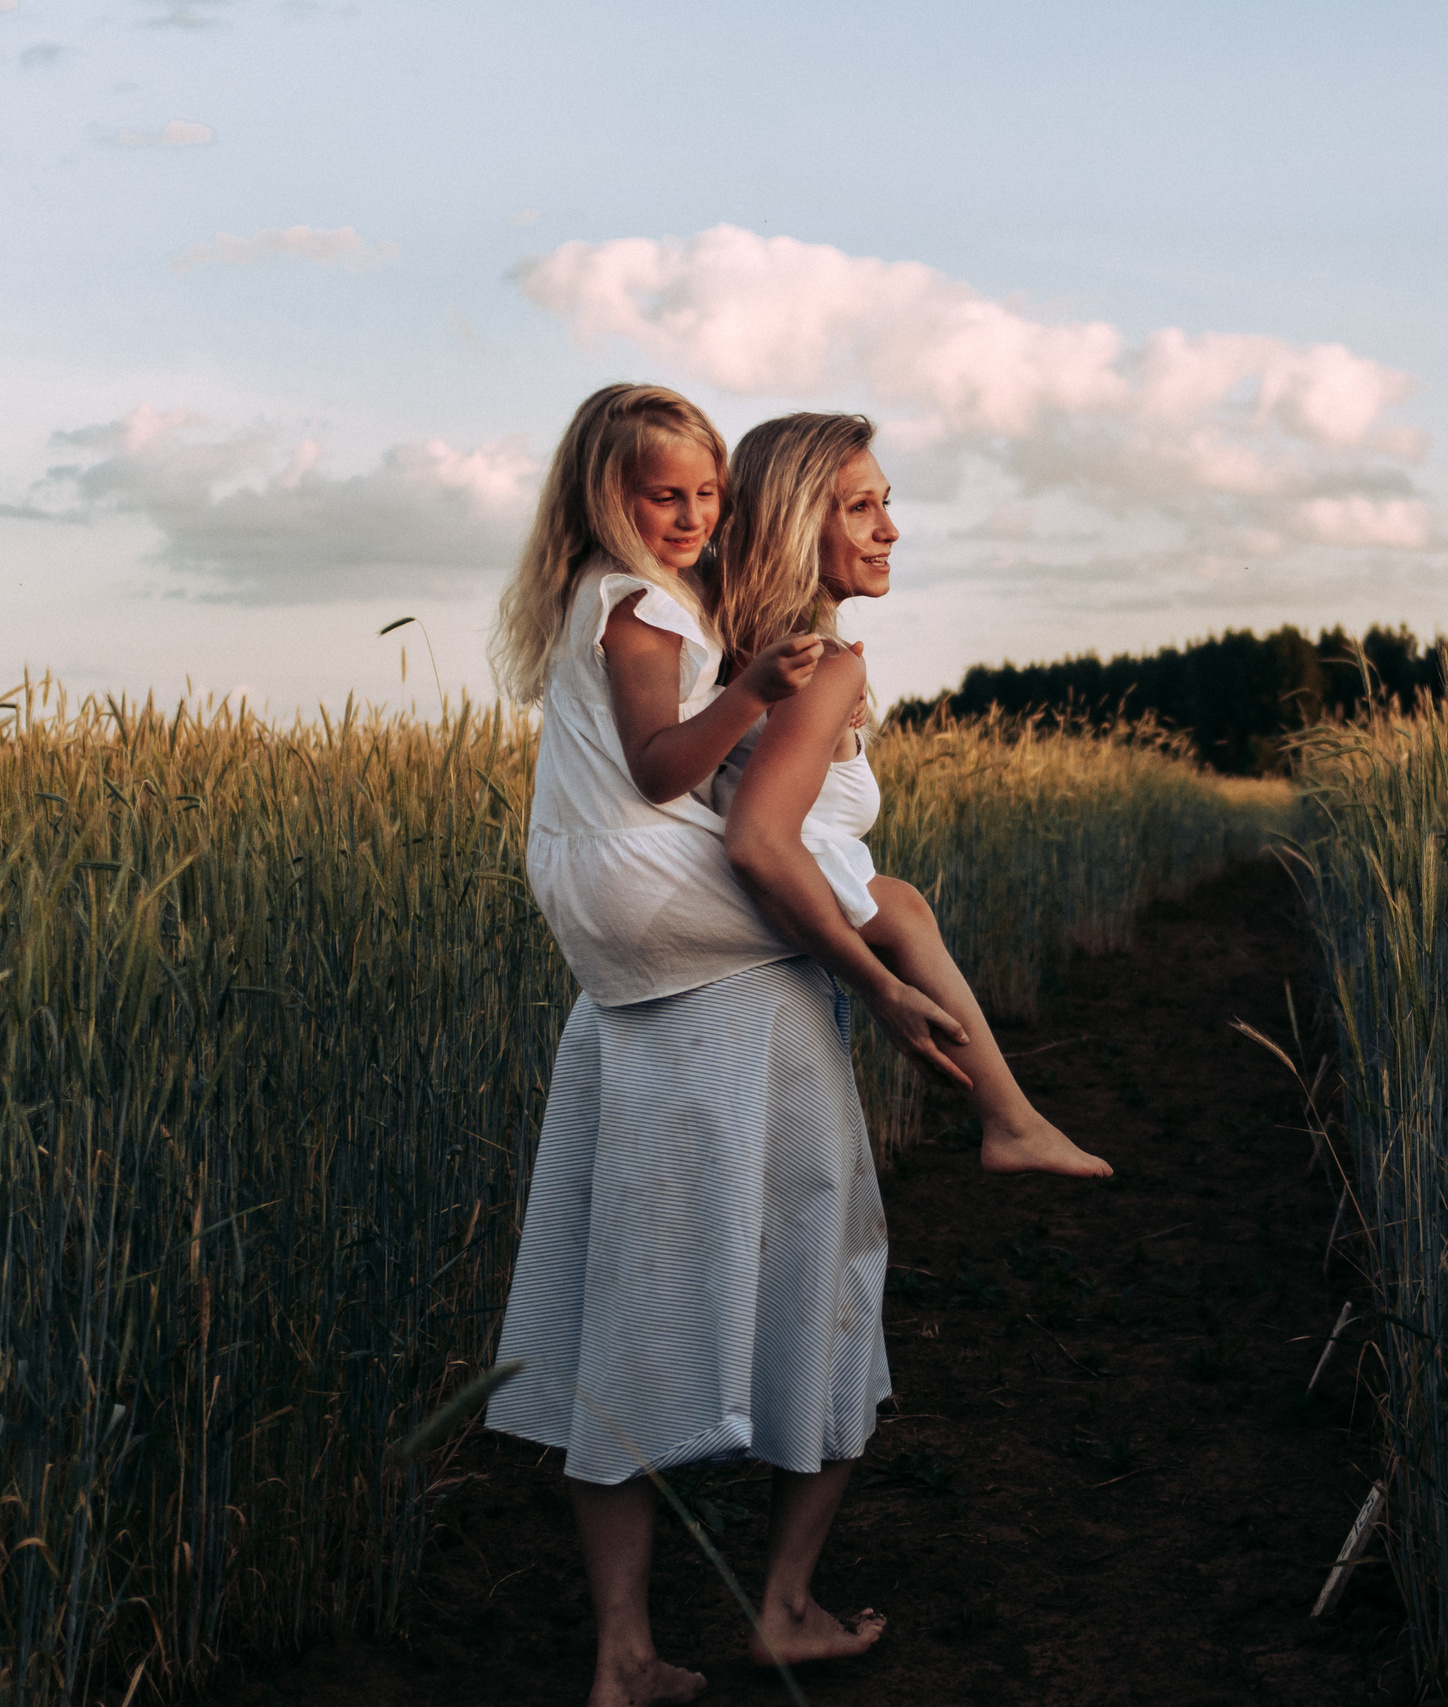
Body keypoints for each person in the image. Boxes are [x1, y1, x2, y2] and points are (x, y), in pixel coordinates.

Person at [483, 383, 967, 1707]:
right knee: (829, 1265)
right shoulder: (666, 618)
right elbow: (717, 815)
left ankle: (623, 1650)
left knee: (617, 1316)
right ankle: (785, 1600)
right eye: (666, 496)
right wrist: (868, 975)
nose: (695, 516)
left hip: (621, 993)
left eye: (707, 495)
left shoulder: (641, 609)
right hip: (721, 994)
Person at [705, 409, 1113, 1182]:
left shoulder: (752, 647)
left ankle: (1013, 1118)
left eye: (885, 502)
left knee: (902, 904)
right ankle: (1011, 1119)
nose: (891, 528)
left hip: (773, 909)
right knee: (903, 907)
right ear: (795, 521)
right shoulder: (820, 666)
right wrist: (883, 987)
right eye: (860, 507)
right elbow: (760, 834)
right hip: (780, 903)